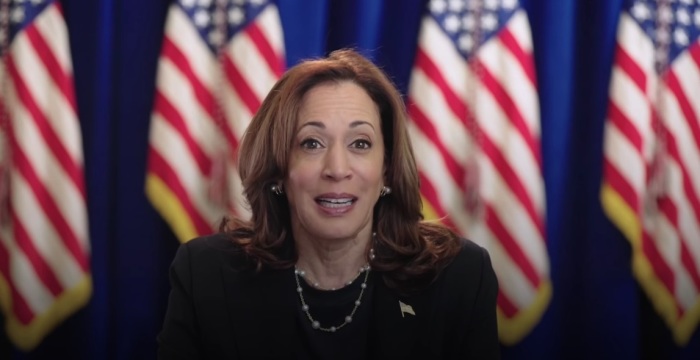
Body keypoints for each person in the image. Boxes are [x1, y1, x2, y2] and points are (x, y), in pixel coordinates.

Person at [157, 49, 499, 359]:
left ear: (388, 169)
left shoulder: (458, 278)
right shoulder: (206, 276)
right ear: (278, 169)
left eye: (361, 143)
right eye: (312, 143)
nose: (337, 169)